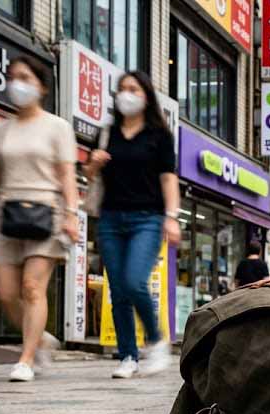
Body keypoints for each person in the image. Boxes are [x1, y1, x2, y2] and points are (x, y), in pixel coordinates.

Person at [0, 55, 79, 383]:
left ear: (42, 86)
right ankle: (41, 338)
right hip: (5, 213)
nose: (18, 83)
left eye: (26, 78)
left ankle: (26, 359)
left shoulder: (58, 127)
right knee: (5, 294)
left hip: (47, 211)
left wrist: (71, 214)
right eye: (13, 77)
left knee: (32, 287)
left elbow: (67, 175)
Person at [84, 71, 178, 380]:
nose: (126, 94)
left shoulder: (159, 136)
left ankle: (156, 339)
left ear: (146, 95)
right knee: (118, 289)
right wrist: (93, 166)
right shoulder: (107, 131)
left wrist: (172, 216)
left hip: (147, 219)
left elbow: (168, 178)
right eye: (121, 89)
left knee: (135, 280)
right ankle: (127, 355)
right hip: (111, 218)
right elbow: (91, 176)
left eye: (133, 88)